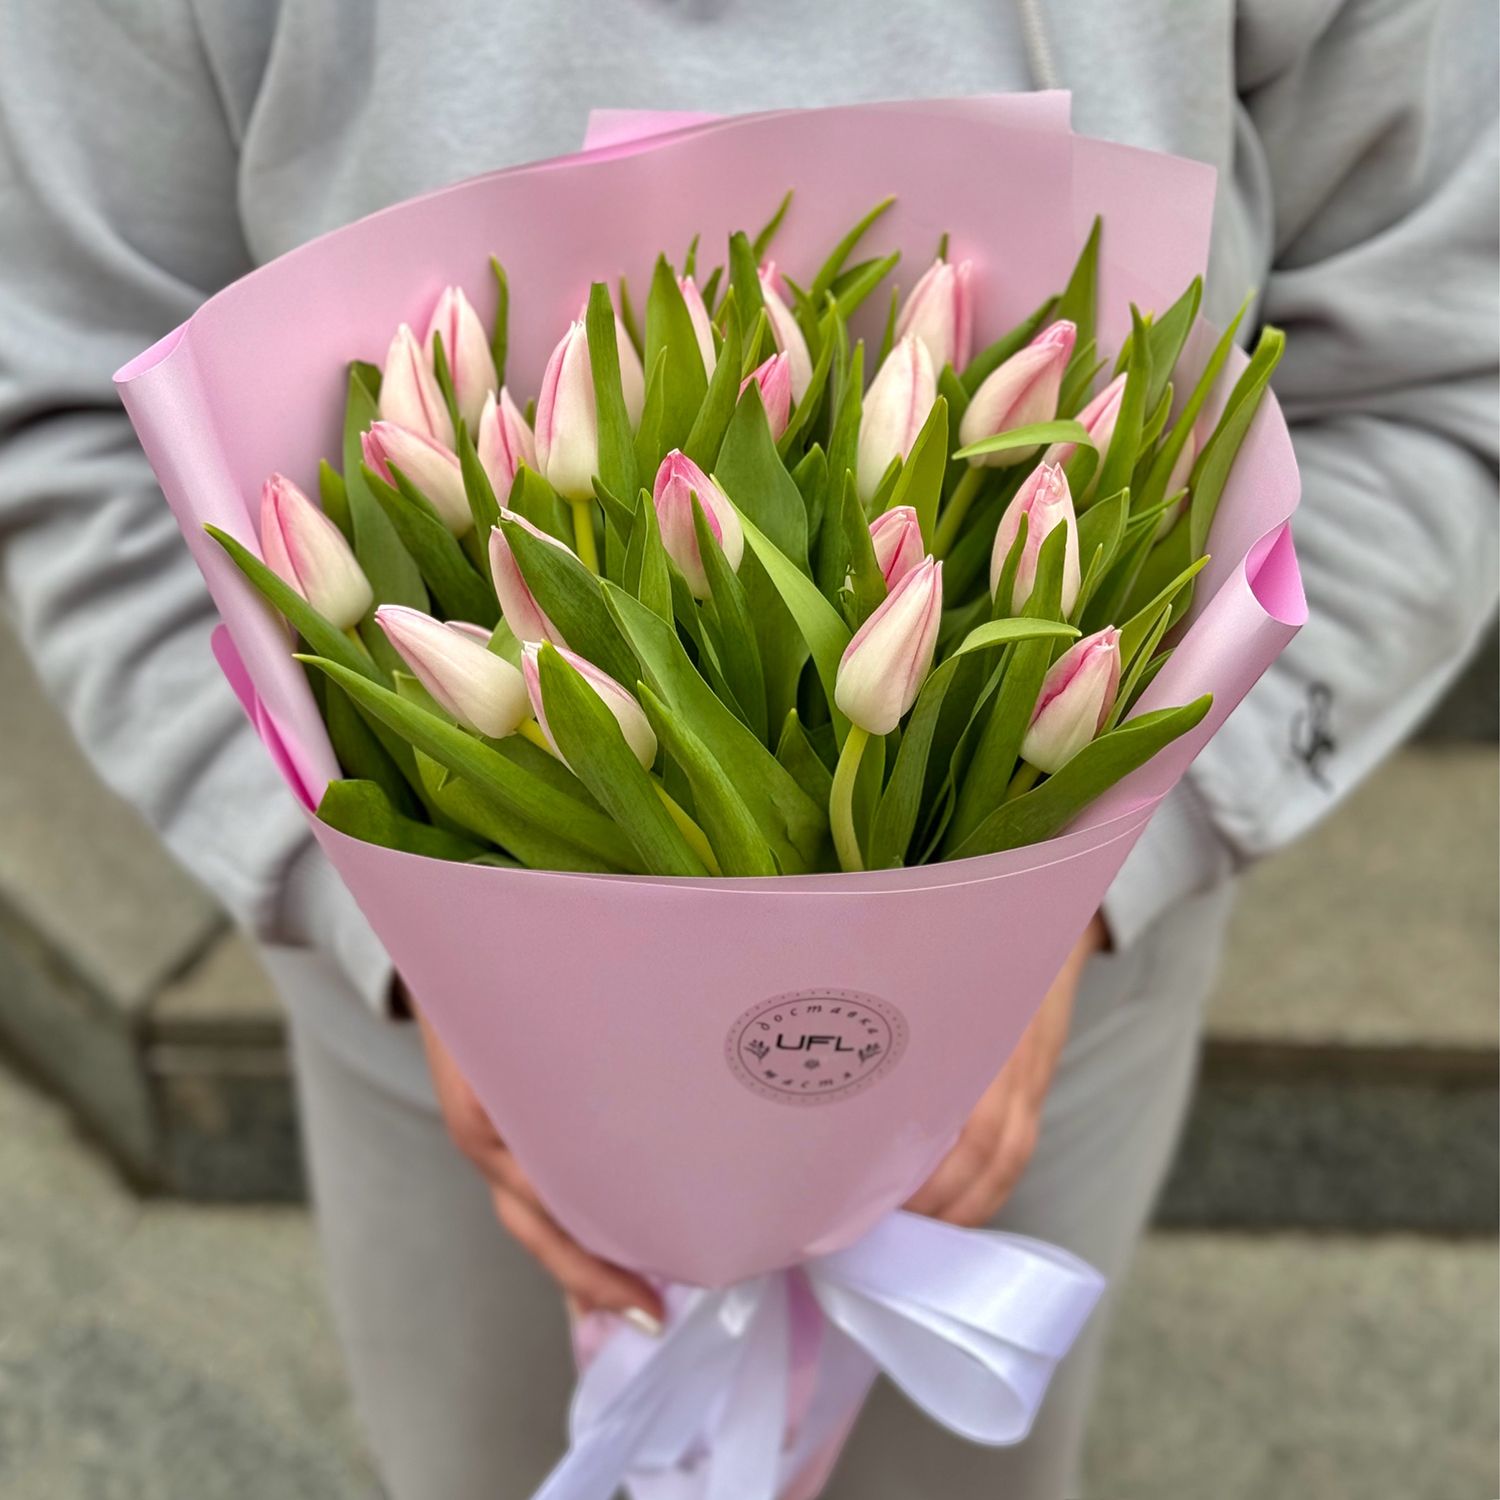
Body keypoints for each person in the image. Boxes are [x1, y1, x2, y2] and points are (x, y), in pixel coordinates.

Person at [1, 2, 1495, 1495]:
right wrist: (392, 931)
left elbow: (1433, 380)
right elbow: (68, 414)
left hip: (1051, 1031)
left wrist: (1108, 870)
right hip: (434, 1053)